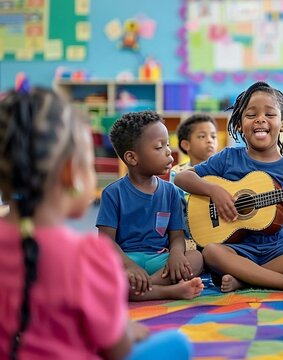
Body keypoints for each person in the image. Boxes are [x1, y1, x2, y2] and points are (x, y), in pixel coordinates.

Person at [0, 87, 192, 359]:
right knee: (178, 344)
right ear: (71, 173)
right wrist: (126, 330)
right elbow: (117, 349)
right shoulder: (87, 256)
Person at [175, 81, 283, 299]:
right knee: (211, 251)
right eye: (251, 114)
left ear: (282, 124)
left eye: (270, 115)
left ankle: (244, 279)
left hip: (277, 249)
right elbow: (182, 177)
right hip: (237, 250)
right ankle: (282, 281)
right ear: (238, 125)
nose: (260, 119)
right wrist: (213, 190)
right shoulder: (228, 158)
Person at [96, 110, 204, 301]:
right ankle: (168, 291)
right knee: (100, 275)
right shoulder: (113, 193)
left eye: (168, 145)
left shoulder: (171, 192)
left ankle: (144, 288)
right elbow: (106, 242)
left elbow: (177, 236)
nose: (169, 152)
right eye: (159, 147)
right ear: (132, 158)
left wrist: (177, 255)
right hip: (126, 259)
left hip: (159, 260)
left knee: (196, 258)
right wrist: (130, 266)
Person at [170, 113, 218, 184]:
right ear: (186, 145)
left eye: (213, 136)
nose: (210, 140)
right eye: (202, 136)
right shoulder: (177, 173)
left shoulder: (225, 169)